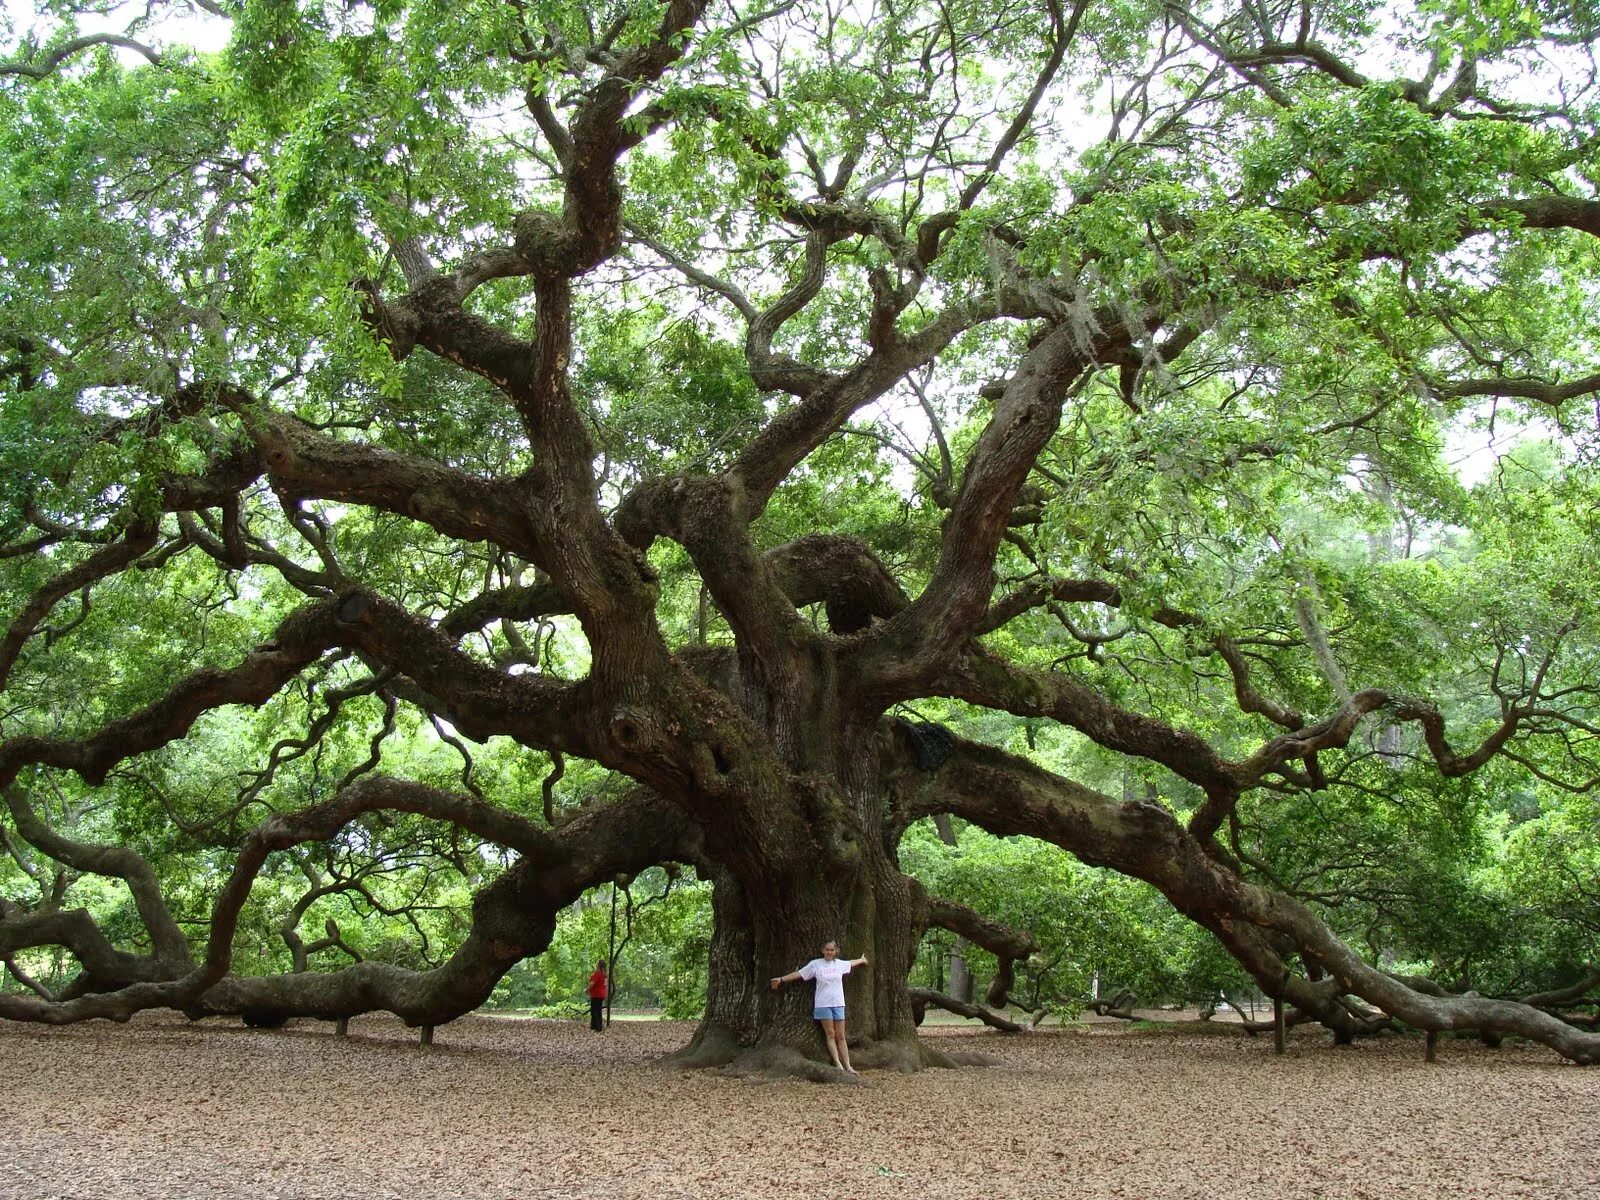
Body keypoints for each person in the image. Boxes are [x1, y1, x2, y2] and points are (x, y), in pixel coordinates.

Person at [769, 941, 869, 1074]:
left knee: (841, 1036)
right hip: (823, 1004)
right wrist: (781, 979)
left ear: (835, 952)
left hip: (838, 1003)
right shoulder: (816, 964)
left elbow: (851, 962)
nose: (829, 952)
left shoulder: (839, 964)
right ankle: (838, 1063)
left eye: (832, 950)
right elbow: (799, 973)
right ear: (823, 951)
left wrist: (862, 960)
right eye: (827, 950)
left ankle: (848, 1066)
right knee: (830, 1034)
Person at [587, 958, 608, 1032]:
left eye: (597, 963)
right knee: (598, 1010)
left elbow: (592, 983)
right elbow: (603, 984)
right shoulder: (604, 974)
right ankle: (598, 1027)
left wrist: (587, 989)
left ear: (598, 965)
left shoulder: (597, 973)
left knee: (594, 1011)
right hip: (602, 994)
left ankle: (596, 1027)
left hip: (596, 994)